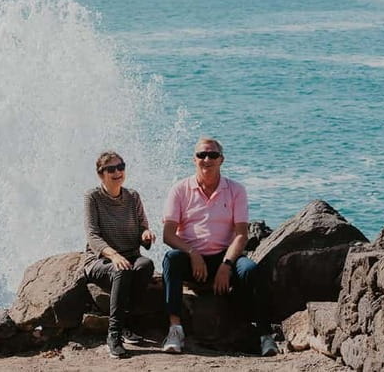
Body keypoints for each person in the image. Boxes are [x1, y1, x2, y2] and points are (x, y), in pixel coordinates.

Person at [160, 137, 277, 356]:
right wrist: (192, 253)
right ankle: (175, 330)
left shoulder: (236, 190)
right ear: (193, 160)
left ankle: (265, 335)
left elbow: (242, 235)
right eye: (201, 155)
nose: (207, 159)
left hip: (224, 256)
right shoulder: (179, 189)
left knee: (251, 270)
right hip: (192, 259)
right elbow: (168, 234)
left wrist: (226, 264)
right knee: (170, 259)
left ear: (221, 160)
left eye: (212, 155)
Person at [84, 151, 156, 359]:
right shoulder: (93, 197)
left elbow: (142, 228)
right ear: (101, 174)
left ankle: (127, 326)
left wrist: (146, 234)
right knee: (121, 270)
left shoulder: (133, 196)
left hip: (130, 255)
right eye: (111, 169)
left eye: (121, 167)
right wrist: (114, 255)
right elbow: (92, 236)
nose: (117, 172)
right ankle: (113, 335)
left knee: (145, 265)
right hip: (100, 260)